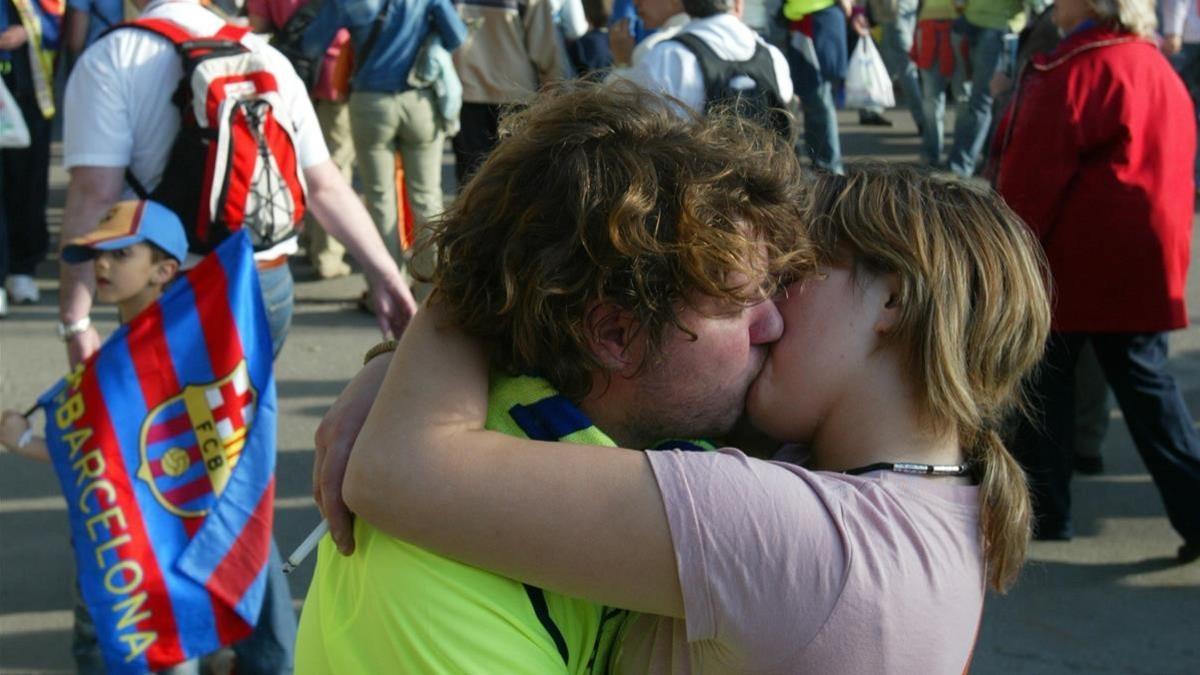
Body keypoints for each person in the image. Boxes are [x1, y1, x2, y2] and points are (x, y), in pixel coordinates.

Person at [317, 160, 1051, 672]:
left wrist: (478, 277)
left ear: (890, 299)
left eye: (792, 275)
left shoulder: (802, 541)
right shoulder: (938, 505)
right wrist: (390, 365)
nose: (766, 310)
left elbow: (397, 468)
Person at [296, 83, 807, 673]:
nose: (774, 325)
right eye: (737, 306)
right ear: (613, 337)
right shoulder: (429, 568)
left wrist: (399, 352)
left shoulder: (645, 425)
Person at [57, 0, 418, 670]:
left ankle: (161, 650)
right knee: (233, 468)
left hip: (174, 295)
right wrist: (386, 276)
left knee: (147, 476)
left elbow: (94, 194)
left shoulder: (113, 57)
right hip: (262, 289)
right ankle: (267, 652)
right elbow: (323, 183)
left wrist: (75, 314)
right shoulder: (265, 56)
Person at [993, 0, 1200, 561]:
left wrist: (1004, 251)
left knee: (1049, 385)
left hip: (1076, 263)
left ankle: (1047, 512)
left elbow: (1029, 178)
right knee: (1147, 390)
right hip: (1145, 260)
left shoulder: (1076, 69)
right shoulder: (1153, 64)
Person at [0, 199, 201, 675]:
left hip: (133, 547)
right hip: (131, 540)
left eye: (123, 254)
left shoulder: (144, 358)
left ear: (164, 269)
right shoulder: (144, 343)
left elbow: (99, 454)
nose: (103, 265)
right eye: (97, 254)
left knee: (130, 649)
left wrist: (20, 442)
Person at [301, 0, 466, 290]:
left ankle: (389, 285)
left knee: (379, 199)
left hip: (370, 103)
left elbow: (311, 44)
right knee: (427, 196)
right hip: (419, 100)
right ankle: (430, 286)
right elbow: (457, 36)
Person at [246, 0, 356, 280]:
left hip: (292, 70)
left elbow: (258, 26)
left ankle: (305, 237)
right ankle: (327, 253)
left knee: (298, 159)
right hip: (336, 73)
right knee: (335, 164)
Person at [622, 0, 792, 127]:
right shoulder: (772, 56)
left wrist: (620, 63)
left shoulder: (667, 57)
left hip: (698, 172)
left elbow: (639, 127)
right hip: (766, 172)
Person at [451, 0, 567, 183]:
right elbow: (544, 46)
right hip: (516, 95)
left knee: (472, 179)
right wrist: (553, 84)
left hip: (468, 92)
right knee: (516, 179)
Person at [1, 0, 58, 310]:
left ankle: (22, 268)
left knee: (27, 183)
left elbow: (60, 20)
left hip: (28, 90)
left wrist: (28, 31)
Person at [945, 0, 1025, 177]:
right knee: (971, 100)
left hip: (996, 29)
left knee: (980, 102)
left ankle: (961, 167)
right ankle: (969, 163)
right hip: (969, 25)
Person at [784, 0, 849, 171]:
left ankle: (830, 169)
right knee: (814, 100)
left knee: (819, 100)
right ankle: (824, 166)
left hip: (815, 22)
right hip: (805, 21)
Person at [1163, 0, 1200, 196]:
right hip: (1187, 40)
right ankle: (1185, 174)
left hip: (1188, 38)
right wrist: (1173, 30)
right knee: (1182, 109)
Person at [607, 0, 689, 77]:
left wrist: (622, 62)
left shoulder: (652, 49)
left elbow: (620, 91)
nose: (635, 3)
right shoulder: (698, 32)